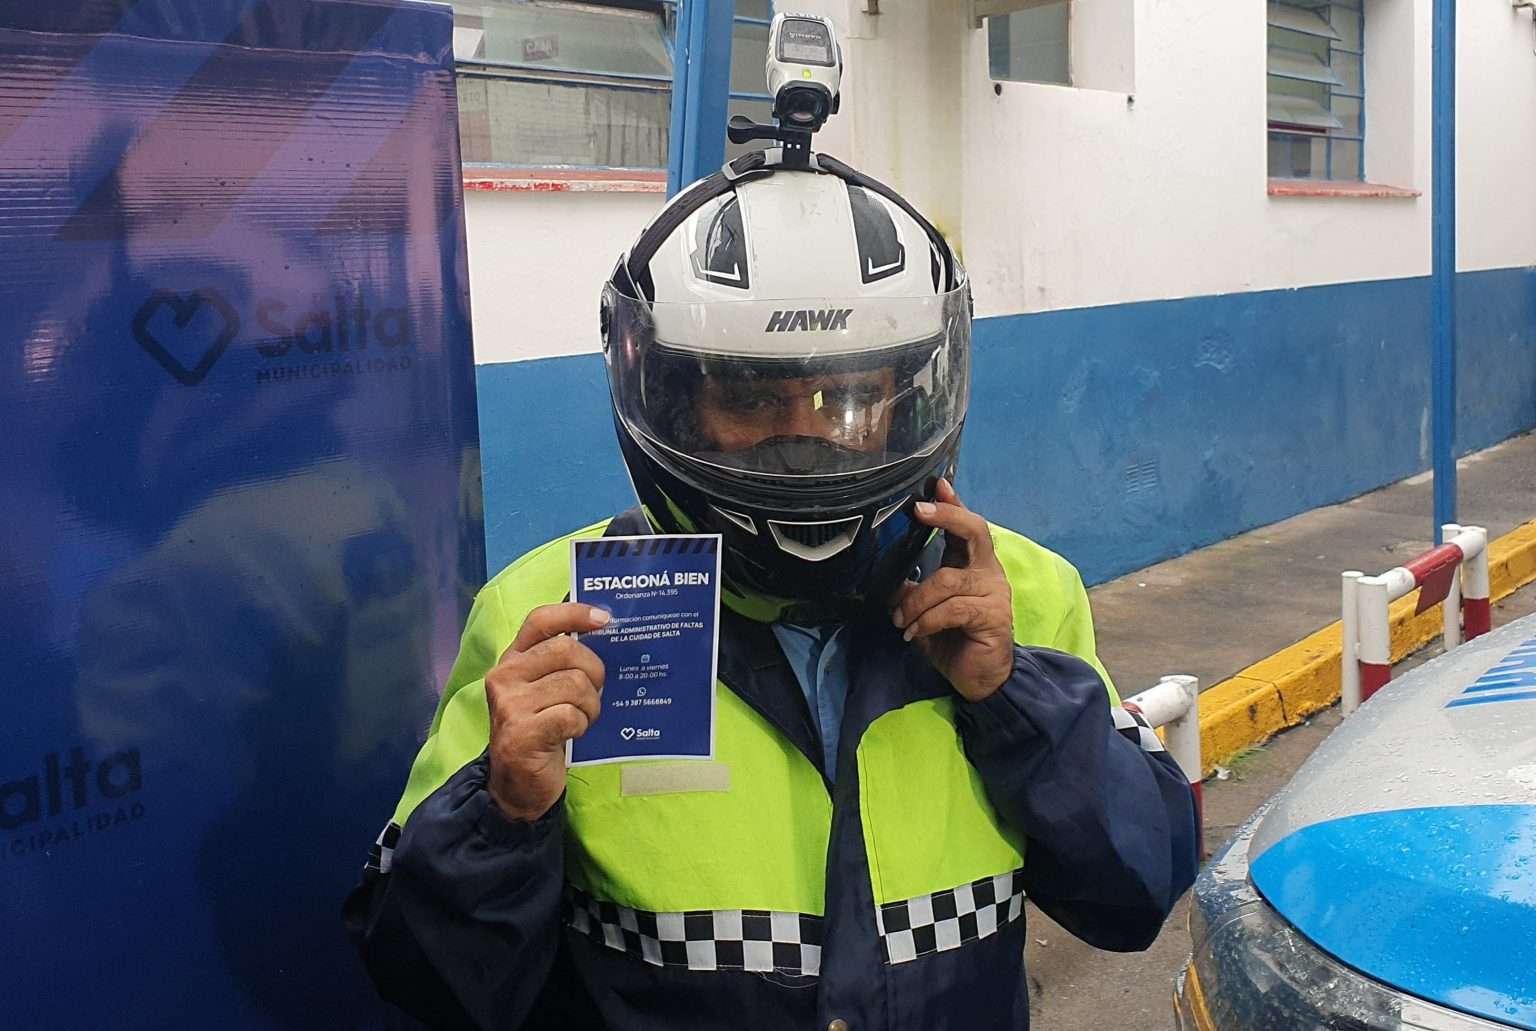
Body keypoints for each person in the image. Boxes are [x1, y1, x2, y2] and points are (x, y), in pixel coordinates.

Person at [344, 146, 1200, 1030]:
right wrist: (506, 810)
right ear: (676, 404)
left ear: (909, 399)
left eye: (848, 400)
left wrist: (1014, 697)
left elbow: (1139, 890)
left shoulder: (1018, 593)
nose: (805, 444)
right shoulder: (548, 617)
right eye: (753, 402)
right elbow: (425, 979)